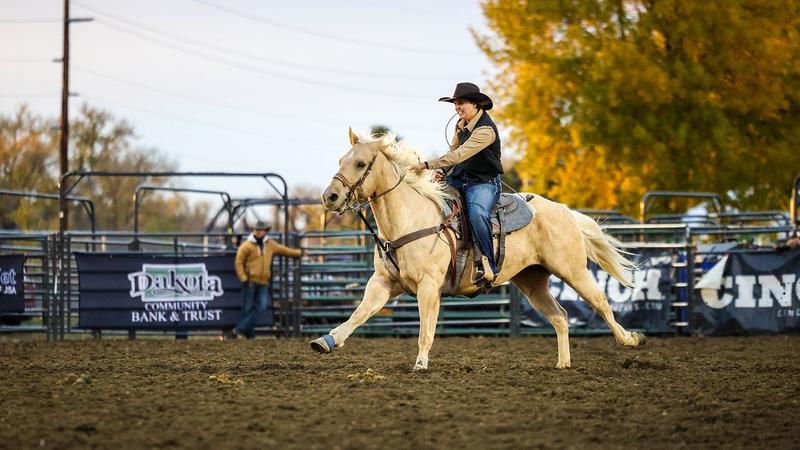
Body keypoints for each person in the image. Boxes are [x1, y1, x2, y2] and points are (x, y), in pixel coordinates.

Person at [416, 82, 503, 286]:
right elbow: (453, 150)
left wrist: (427, 164)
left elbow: (459, 155)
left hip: (484, 182)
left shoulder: (486, 131)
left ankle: (488, 264)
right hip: (460, 179)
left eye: (461, 102)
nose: (457, 107)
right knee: (431, 202)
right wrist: (441, 171)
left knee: (477, 213)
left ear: (475, 104)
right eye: (455, 103)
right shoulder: (460, 125)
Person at [232, 220, 303, 339]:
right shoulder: (246, 246)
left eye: (261, 230)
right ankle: (248, 334)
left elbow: (284, 250)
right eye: (257, 230)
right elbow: (238, 263)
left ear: (265, 231)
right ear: (254, 231)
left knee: (260, 307)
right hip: (250, 280)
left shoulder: (269, 244)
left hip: (263, 281)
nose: (259, 232)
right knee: (249, 308)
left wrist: (298, 253)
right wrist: (244, 278)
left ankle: (240, 330)